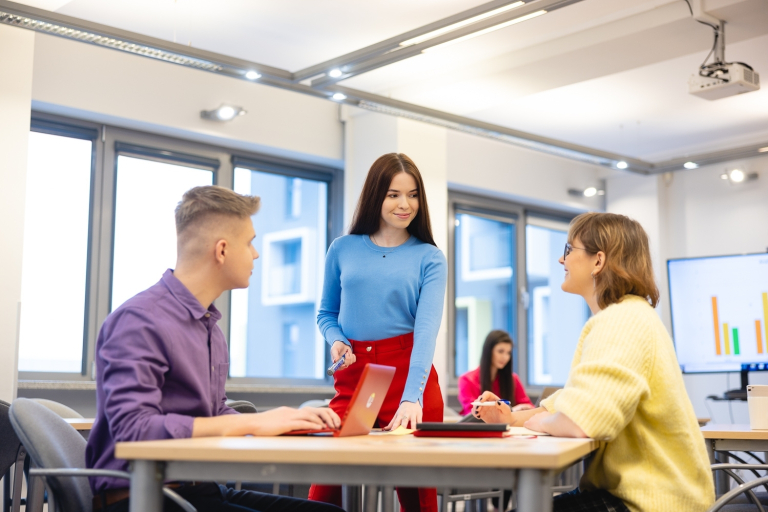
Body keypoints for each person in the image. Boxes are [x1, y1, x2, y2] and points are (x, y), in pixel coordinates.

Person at [85, 186, 344, 512]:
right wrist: (251, 424)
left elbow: (215, 414)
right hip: (143, 498)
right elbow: (133, 431)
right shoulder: (139, 322)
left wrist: (283, 421)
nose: (256, 254)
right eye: (249, 242)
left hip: (198, 489)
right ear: (222, 250)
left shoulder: (208, 326)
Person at [474, 212, 714, 512]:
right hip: (648, 496)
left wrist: (538, 421)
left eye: (568, 250)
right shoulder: (630, 315)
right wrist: (510, 417)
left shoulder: (620, 321)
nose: (561, 261)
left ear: (598, 261)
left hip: (649, 502)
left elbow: (581, 421)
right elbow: (571, 401)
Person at [309, 153, 447, 512]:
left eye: (413, 194)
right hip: (356, 377)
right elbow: (326, 313)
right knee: (323, 490)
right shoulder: (342, 248)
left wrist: (411, 397)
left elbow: (426, 332)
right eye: (393, 194)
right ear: (375, 196)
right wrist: (336, 339)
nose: (406, 204)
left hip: (409, 378)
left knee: (418, 501)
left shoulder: (429, 257)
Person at [457, 330, 534, 416]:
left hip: (508, 427)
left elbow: (528, 406)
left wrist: (525, 409)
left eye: (508, 353)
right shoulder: (467, 380)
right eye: (500, 351)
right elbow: (474, 413)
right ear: (489, 351)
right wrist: (511, 411)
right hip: (478, 428)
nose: (505, 357)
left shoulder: (513, 379)